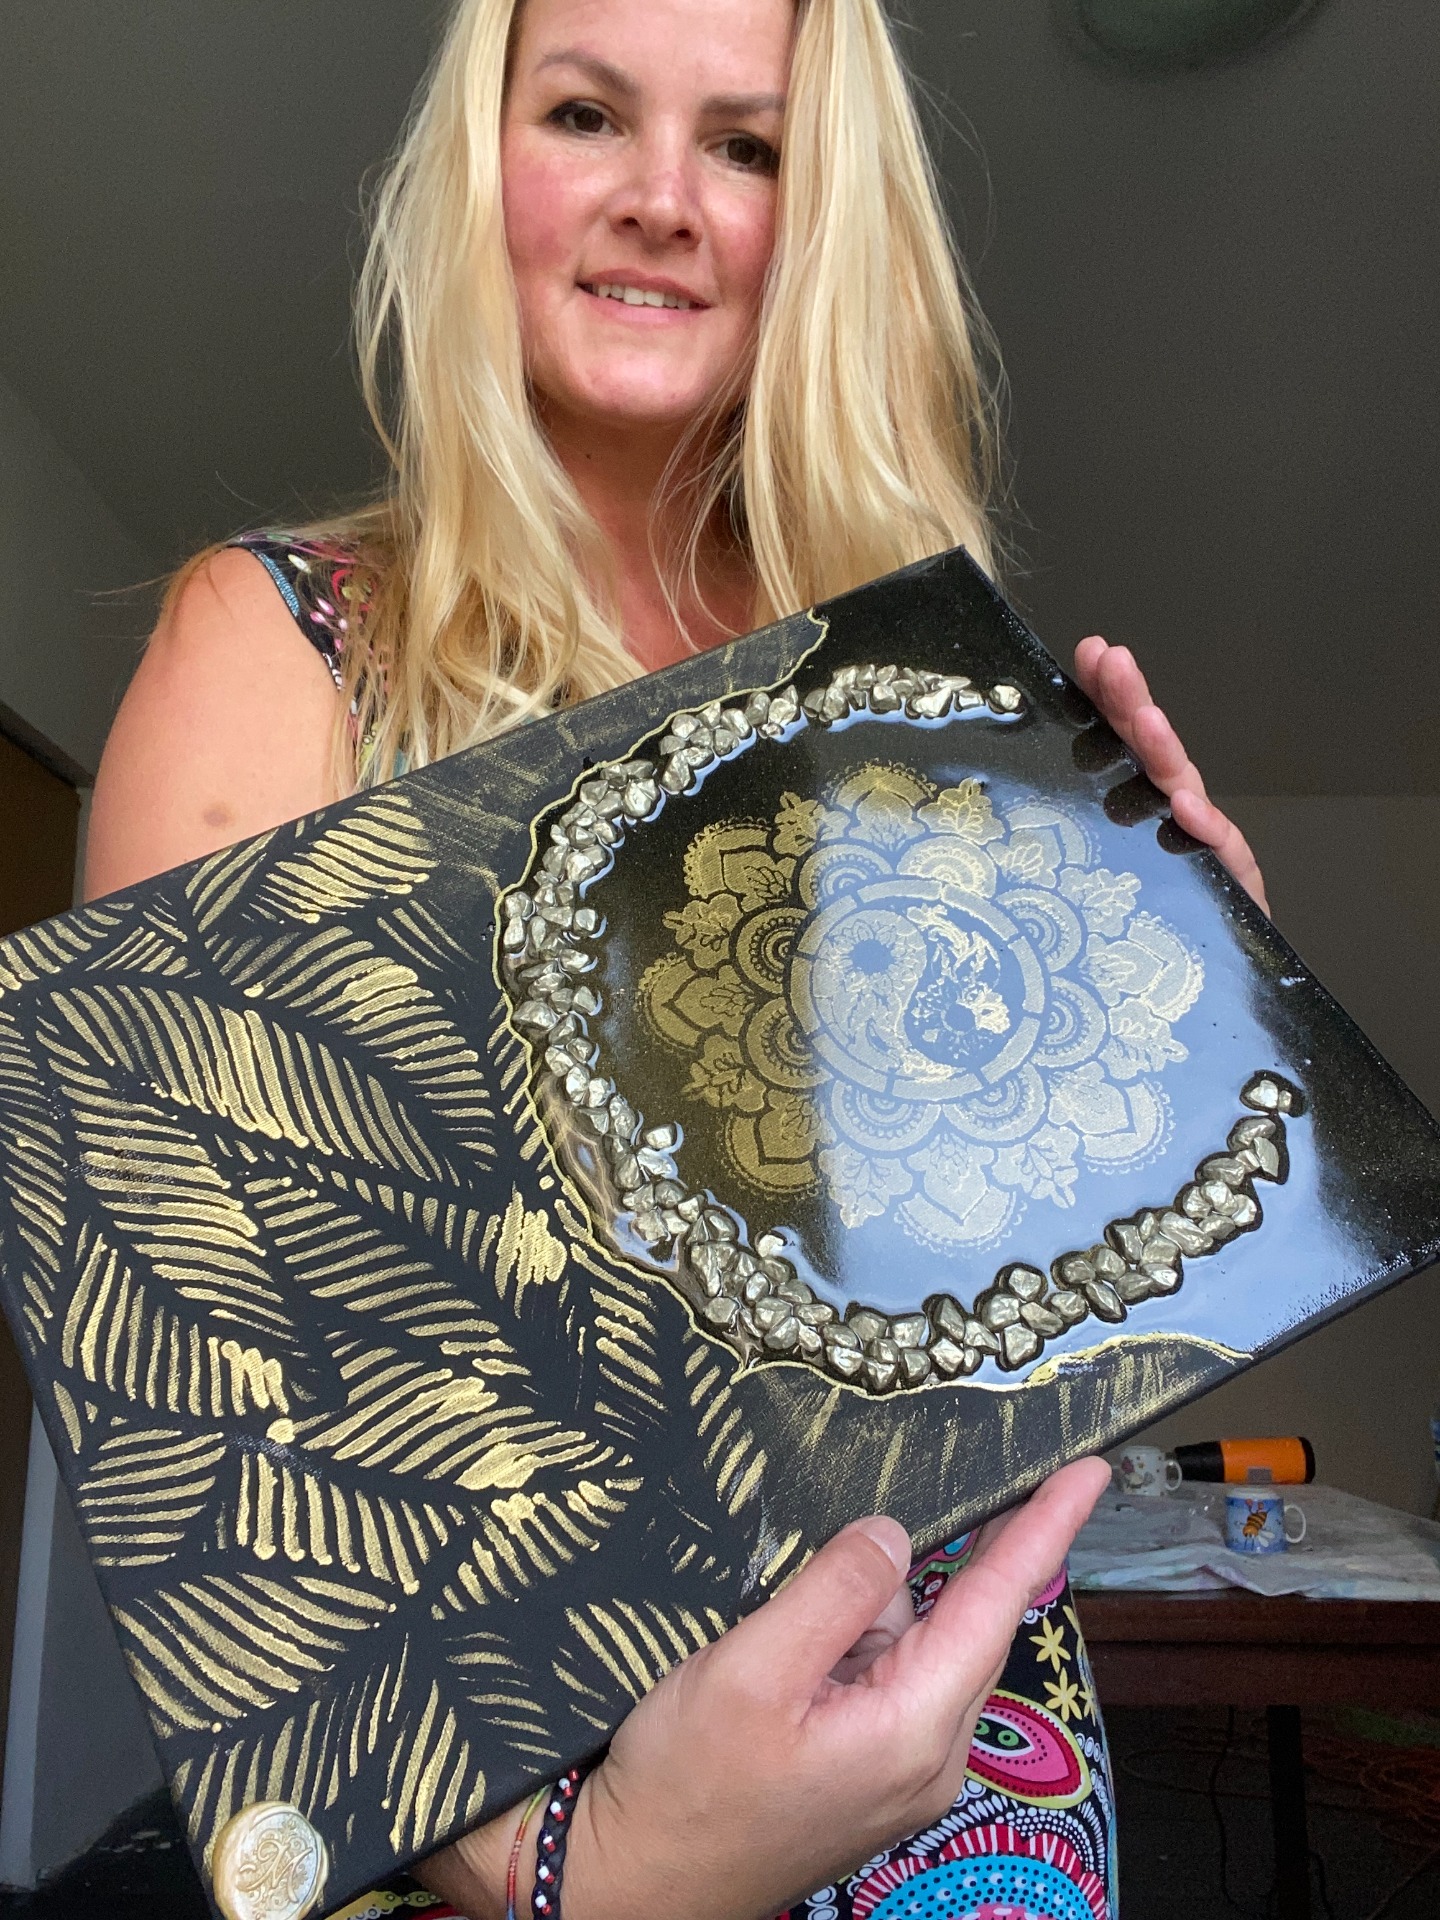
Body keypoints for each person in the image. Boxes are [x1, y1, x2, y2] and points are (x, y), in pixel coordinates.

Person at [85, 0, 1267, 1913]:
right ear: (478, 166)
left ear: (827, 214)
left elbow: (1012, 1330)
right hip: (506, 1828)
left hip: (960, 1767)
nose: (661, 198)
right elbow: (207, 1411)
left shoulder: (924, 703)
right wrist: (593, 1877)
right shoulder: (282, 647)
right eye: (584, 113)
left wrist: (1226, 1045)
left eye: (747, 144)